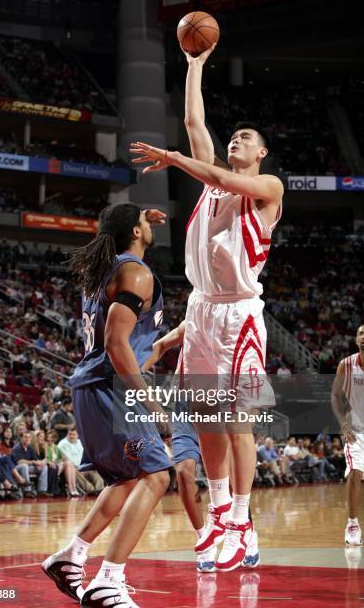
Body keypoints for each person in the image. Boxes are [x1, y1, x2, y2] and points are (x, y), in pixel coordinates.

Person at [130, 43, 283, 571]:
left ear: (260, 153)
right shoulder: (210, 189)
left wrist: (175, 160)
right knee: (206, 421)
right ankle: (221, 515)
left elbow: (215, 173)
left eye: (246, 138)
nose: (236, 140)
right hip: (200, 312)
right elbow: (195, 123)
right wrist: (194, 66)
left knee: (237, 422)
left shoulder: (265, 188)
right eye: (233, 136)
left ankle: (243, 520)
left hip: (238, 313)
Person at [42, 203, 172, 607]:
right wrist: (148, 398)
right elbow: (117, 344)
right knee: (157, 476)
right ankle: (108, 581)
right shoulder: (136, 272)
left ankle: (71, 557)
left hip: (90, 386)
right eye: (142, 225)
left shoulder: (107, 269)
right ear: (135, 232)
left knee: (126, 478)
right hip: (112, 388)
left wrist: (136, 220)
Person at [142, 320, 260, 572]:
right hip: (185, 405)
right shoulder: (194, 320)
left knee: (231, 481)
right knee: (184, 471)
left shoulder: (231, 320)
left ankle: (245, 530)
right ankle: (203, 540)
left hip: (218, 403)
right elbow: (161, 345)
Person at [331, 324, 364, 546]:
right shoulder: (346, 365)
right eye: (362, 333)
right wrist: (343, 423)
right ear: (356, 338)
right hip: (356, 429)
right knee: (354, 472)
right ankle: (352, 523)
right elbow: (335, 396)